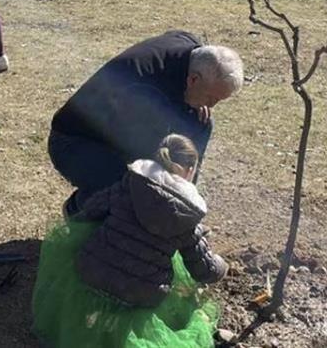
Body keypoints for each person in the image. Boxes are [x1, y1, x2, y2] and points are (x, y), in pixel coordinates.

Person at [32, 134, 227, 348]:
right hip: (140, 294)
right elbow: (203, 269)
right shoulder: (186, 215)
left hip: (92, 271)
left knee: (98, 289)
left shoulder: (129, 184)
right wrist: (222, 267)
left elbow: (91, 212)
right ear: (190, 170)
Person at [49, 31, 244, 215]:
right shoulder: (145, 93)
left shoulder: (191, 51)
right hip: (75, 141)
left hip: (118, 130)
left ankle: (186, 199)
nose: (212, 105)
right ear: (193, 79)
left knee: (202, 123)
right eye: (212, 97)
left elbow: (181, 35)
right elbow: (147, 167)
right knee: (130, 194)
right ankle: (79, 208)